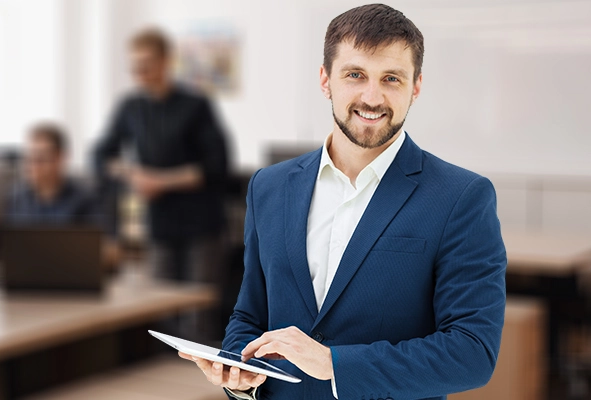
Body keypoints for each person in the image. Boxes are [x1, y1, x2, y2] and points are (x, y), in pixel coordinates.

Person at [179, 4, 506, 400]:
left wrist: (334, 364)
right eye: (355, 75)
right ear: (325, 80)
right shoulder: (269, 186)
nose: (372, 97)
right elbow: (250, 314)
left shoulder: (461, 198)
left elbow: (472, 353)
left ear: (415, 87)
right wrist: (238, 373)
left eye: (391, 79)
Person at [92, 27, 231, 312]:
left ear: (165, 62)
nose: (139, 72)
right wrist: (133, 175)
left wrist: (160, 181)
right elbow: (101, 155)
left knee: (199, 309)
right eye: (134, 66)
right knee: (159, 308)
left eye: (146, 64)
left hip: (200, 223)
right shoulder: (130, 107)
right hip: (158, 224)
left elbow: (216, 166)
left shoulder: (195, 105)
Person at [6, 122, 100, 224]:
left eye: (41, 159)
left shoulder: (84, 200)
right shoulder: (17, 199)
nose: (32, 166)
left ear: (61, 158)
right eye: (29, 158)